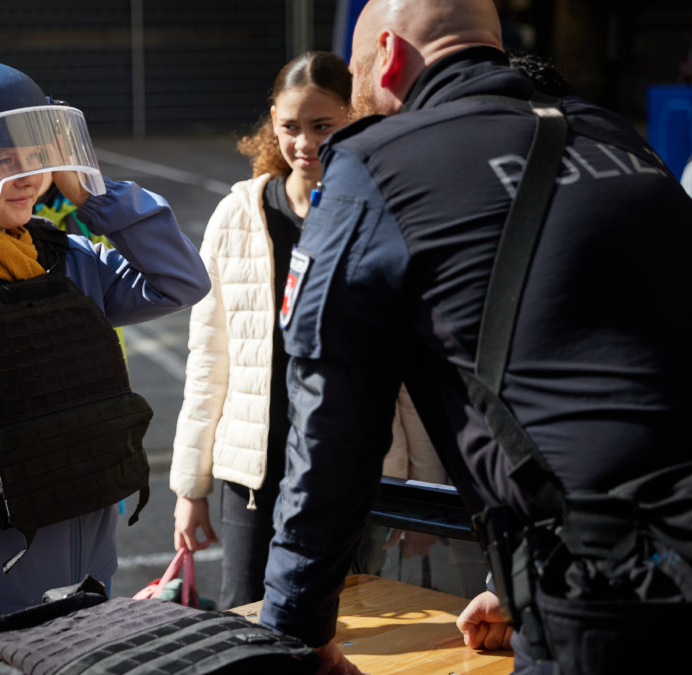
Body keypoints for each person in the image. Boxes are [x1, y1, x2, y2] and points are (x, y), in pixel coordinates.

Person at [258, 1, 692, 674]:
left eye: (359, 69)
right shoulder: (616, 137)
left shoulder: (375, 167)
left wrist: (296, 623)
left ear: (390, 55)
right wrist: (508, 581)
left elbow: (331, 425)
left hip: (603, 587)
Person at [0, 59, 210, 630]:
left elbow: (181, 280)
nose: (27, 178)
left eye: (35, 159)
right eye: (4, 162)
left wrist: (95, 197)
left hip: (84, 573)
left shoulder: (66, 260)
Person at [169, 51, 441, 610]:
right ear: (273, 120)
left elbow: (413, 367)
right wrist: (189, 488)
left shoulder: (381, 214)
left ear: (356, 118)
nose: (305, 144)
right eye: (291, 126)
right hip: (252, 476)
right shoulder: (237, 216)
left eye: (324, 127)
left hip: (352, 472)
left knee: (353, 626)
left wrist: (425, 496)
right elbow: (209, 358)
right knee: (248, 625)